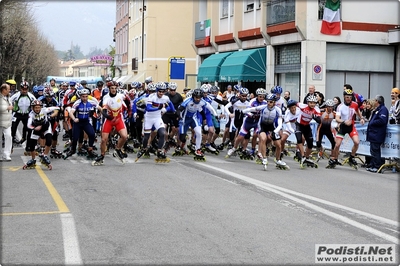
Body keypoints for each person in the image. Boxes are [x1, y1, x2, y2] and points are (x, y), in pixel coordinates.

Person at [92, 81, 130, 165]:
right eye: (112, 88)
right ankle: (102, 156)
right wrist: (110, 118)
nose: (114, 90)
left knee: (124, 136)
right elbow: (104, 112)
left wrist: (129, 112)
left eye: (115, 88)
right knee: (104, 139)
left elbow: (128, 100)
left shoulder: (121, 95)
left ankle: (118, 149)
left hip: (119, 119)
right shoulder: (106, 98)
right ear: (109, 89)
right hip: (109, 120)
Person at [328, 88, 366, 168]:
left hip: (351, 127)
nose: (349, 99)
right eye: (347, 97)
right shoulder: (340, 106)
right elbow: (337, 118)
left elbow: (358, 111)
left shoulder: (355, 104)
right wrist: (344, 121)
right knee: (337, 145)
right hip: (343, 126)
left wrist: (362, 118)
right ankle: (334, 158)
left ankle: (351, 157)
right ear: (344, 97)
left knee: (357, 142)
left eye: (350, 97)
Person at [23, 100, 60, 170]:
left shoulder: (45, 110)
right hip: (36, 129)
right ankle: (33, 159)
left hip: (45, 127)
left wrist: (52, 115)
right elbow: (28, 125)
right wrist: (34, 128)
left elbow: (57, 108)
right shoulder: (31, 114)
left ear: (41, 107)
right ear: (33, 108)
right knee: (31, 146)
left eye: (39, 107)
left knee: (49, 141)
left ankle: (45, 156)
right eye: (36, 108)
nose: (37, 109)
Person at [64, 88, 99, 160]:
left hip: (86, 122)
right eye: (83, 96)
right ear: (80, 96)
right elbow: (71, 112)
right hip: (78, 122)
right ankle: (73, 150)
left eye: (86, 96)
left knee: (92, 134)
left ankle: (90, 149)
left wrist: (101, 114)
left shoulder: (91, 102)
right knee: (75, 138)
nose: (85, 98)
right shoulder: (77, 103)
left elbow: (100, 108)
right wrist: (74, 119)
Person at [295, 95, 321, 167]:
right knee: (299, 139)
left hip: (307, 126)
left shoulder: (316, 109)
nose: (312, 104)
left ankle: (306, 157)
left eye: (314, 103)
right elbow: (294, 102)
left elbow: (319, 120)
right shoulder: (303, 106)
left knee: (310, 144)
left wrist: (315, 117)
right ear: (307, 102)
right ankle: (303, 156)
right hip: (299, 125)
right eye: (311, 103)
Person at [366, 95, 389, 173]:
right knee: (373, 151)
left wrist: (372, 123)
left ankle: (377, 166)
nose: (373, 102)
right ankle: (373, 165)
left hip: (377, 134)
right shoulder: (377, 109)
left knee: (375, 150)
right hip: (373, 134)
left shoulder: (383, 110)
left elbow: (382, 121)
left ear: (377, 101)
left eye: (375, 100)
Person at [0, 83, 13, 161]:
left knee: (8, 137)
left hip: (7, 122)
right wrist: (7, 107)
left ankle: (7, 154)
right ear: (3, 90)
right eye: (8, 89)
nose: (9, 90)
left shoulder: (9, 97)